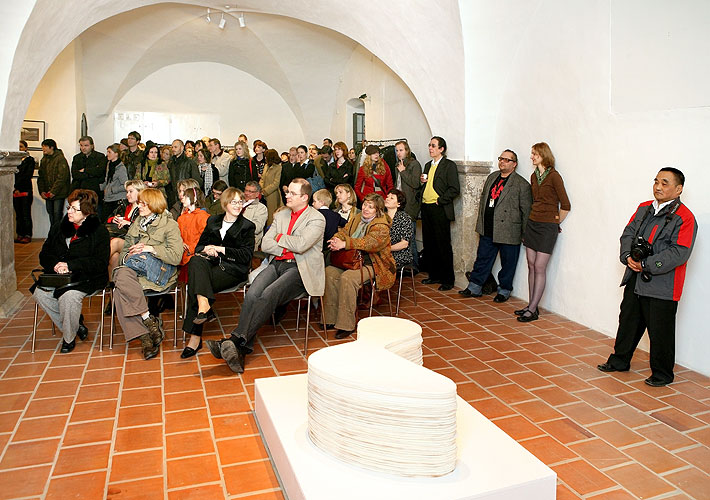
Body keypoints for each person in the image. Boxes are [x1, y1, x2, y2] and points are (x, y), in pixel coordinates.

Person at [206, 178, 325, 373]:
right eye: (288, 192)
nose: (287, 195)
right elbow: (266, 244)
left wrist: (280, 238)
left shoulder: (316, 218)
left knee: (268, 294)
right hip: (277, 263)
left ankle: (235, 340)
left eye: (292, 193)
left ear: (304, 197)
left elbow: (303, 245)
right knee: (252, 293)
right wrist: (287, 243)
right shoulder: (282, 215)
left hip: (300, 269)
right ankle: (239, 348)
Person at [598, 168, 696, 387]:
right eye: (656, 181)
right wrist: (628, 257)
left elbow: (679, 252)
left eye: (665, 182)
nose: (658, 187)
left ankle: (662, 374)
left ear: (678, 189)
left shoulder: (685, 217)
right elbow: (628, 233)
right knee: (628, 321)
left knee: (660, 330)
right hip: (635, 276)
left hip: (664, 285)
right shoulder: (644, 208)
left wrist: (646, 264)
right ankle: (619, 360)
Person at [180, 187, 255, 358]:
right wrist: (207, 248)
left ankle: (195, 338)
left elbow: (246, 256)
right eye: (234, 201)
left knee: (197, 284)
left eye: (240, 201)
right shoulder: (213, 221)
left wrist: (221, 249)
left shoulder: (247, 226)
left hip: (233, 270)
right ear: (225, 203)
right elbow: (199, 247)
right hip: (211, 265)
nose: (238, 205)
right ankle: (204, 305)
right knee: (196, 261)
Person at [32, 190, 109, 352]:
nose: (69, 212)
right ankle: (76, 325)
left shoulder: (99, 231)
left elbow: (99, 263)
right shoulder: (59, 227)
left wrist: (71, 265)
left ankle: (68, 338)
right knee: (40, 293)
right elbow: (44, 254)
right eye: (69, 207)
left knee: (69, 296)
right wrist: (55, 265)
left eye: (75, 209)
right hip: (60, 277)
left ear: (87, 212)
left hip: (87, 278)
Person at [112, 188, 183, 360]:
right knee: (120, 276)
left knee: (120, 290)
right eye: (140, 202)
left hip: (159, 272)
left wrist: (150, 248)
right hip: (135, 270)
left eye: (143, 203)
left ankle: (146, 334)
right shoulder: (138, 222)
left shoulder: (169, 224)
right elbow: (127, 245)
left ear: (154, 204)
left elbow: (176, 256)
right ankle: (148, 327)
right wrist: (127, 256)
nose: (140, 206)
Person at [459, 149, 532, 302]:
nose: (502, 162)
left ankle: (504, 290)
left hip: (509, 230)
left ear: (514, 164)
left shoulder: (521, 184)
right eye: (500, 158)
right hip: (488, 227)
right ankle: (474, 287)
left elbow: (526, 211)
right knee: (482, 259)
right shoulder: (492, 177)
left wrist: (525, 233)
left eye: (507, 160)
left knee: (508, 262)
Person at [325, 193, 396, 338]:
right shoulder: (357, 218)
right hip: (352, 260)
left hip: (374, 263)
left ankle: (346, 324)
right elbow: (344, 232)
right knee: (329, 273)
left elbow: (370, 243)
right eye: (365, 205)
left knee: (348, 278)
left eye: (371, 207)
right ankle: (330, 319)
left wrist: (345, 244)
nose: (366, 209)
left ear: (378, 210)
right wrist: (335, 240)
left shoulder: (382, 225)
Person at [516, 142, 570, 322]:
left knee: (540, 266)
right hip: (532, 223)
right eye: (531, 154)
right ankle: (532, 305)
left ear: (543, 155)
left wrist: (555, 222)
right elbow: (534, 200)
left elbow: (566, 205)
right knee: (531, 264)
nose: (531, 157)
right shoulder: (533, 176)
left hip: (547, 227)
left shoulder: (554, 176)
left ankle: (532, 309)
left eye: (534, 154)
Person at [419, 136, 460, 290]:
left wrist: (440, 200)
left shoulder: (449, 166)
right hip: (426, 207)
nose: (430, 148)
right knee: (429, 244)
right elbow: (427, 184)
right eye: (429, 145)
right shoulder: (427, 165)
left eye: (434, 146)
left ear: (441, 149)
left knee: (442, 244)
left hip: (439, 208)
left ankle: (448, 279)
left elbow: (454, 188)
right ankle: (434, 275)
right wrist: (422, 183)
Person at [106, 179, 145, 276]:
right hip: (123, 238)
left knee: (115, 242)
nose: (127, 194)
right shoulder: (124, 206)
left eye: (131, 191)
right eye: (127, 192)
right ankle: (113, 286)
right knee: (114, 257)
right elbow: (108, 219)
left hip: (135, 241)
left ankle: (96, 264)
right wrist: (113, 219)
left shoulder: (144, 208)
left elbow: (143, 229)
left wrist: (128, 224)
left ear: (140, 192)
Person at [393, 140, 422, 269]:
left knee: (410, 237)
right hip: (399, 204)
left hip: (410, 205)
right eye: (397, 150)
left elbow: (416, 183)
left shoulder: (414, 164)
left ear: (407, 150)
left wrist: (403, 171)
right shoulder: (397, 165)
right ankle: (404, 265)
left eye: (401, 150)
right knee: (400, 236)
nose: (399, 153)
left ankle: (414, 266)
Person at [177, 187, 210, 282]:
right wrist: (180, 243)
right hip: (182, 255)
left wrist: (192, 249)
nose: (182, 198)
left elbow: (204, 239)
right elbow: (177, 235)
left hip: (195, 256)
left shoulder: (203, 217)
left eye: (186, 196)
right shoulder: (181, 218)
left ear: (194, 199)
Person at [38, 138, 70, 229]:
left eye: (45, 146)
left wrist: (54, 191)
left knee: (57, 214)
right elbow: (41, 177)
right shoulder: (44, 160)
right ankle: (53, 235)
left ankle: (58, 236)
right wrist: (42, 191)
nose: (43, 149)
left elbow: (62, 177)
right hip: (48, 192)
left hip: (59, 193)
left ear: (51, 147)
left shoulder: (60, 159)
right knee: (51, 214)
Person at [70, 136, 106, 207]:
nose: (83, 148)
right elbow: (75, 174)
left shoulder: (100, 157)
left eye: (86, 145)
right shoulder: (77, 158)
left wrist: (85, 170)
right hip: (79, 190)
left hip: (94, 191)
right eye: (81, 145)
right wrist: (91, 173)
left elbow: (100, 172)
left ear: (92, 146)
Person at [385, 189, 414, 268]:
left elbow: (404, 244)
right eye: (387, 197)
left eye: (392, 198)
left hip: (399, 253)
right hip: (382, 251)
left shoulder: (404, 218)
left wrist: (386, 249)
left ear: (398, 204)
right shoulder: (381, 216)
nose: (387, 199)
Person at [14, 140, 35, 243]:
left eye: (21, 147)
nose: (19, 149)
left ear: (26, 148)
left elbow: (26, 175)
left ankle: (27, 234)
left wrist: (17, 186)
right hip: (15, 190)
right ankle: (20, 234)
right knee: (18, 215)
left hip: (25, 189)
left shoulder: (29, 160)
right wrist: (14, 188)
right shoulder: (14, 161)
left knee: (26, 214)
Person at [167, 139, 200, 206]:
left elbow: (196, 181)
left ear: (182, 148)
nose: (173, 149)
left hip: (187, 196)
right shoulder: (171, 163)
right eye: (172, 147)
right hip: (173, 197)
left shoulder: (190, 163)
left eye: (175, 147)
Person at [101, 143, 128, 221]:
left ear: (116, 154)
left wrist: (113, 189)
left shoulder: (121, 168)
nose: (107, 154)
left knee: (109, 220)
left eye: (109, 152)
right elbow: (108, 180)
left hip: (117, 199)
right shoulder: (109, 164)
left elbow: (125, 184)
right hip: (108, 197)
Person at [260, 149, 283, 226]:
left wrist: (265, 191)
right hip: (262, 193)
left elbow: (276, 183)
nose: (265, 158)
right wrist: (260, 188)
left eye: (266, 157)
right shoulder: (266, 166)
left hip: (272, 194)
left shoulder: (278, 168)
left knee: (271, 214)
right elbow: (262, 178)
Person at [242, 181, 268, 250]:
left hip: (249, 241)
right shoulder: (239, 203)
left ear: (257, 194)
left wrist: (240, 226)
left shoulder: (261, 208)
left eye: (250, 191)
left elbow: (257, 228)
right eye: (246, 190)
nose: (246, 193)